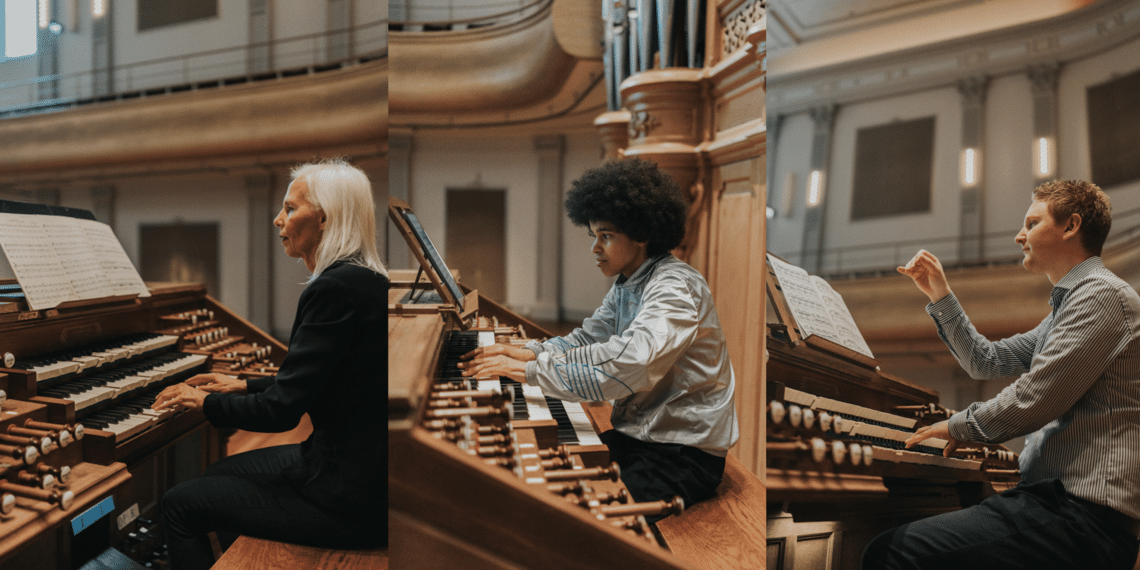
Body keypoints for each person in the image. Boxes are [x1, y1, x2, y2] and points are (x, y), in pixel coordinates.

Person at [864, 180, 1140, 569]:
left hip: (1083, 517)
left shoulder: (1102, 296)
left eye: (1031, 223)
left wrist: (957, 425)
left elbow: (1035, 400)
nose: (1018, 235)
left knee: (890, 552)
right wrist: (940, 295)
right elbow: (986, 361)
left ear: (1070, 226)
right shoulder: (1068, 309)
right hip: (1060, 505)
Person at [458, 158, 739, 520]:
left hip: (683, 454)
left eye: (606, 236)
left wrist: (530, 372)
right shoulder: (630, 281)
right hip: (639, 437)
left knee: (578, 519)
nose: (595, 248)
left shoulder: (675, 287)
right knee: (540, 482)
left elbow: (629, 364)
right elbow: (588, 337)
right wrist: (528, 352)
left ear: (641, 233)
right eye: (594, 236)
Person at [153, 159, 386, 570]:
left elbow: (282, 411)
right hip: (356, 471)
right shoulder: (364, 280)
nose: (278, 219)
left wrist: (200, 402)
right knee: (220, 472)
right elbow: (325, 381)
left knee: (178, 505)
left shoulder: (333, 289)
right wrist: (242, 384)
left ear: (325, 220)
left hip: (350, 499)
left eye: (290, 209)